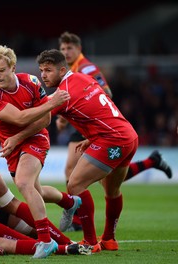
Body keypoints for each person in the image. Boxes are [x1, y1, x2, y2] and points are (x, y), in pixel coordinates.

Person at [57, 31, 172, 232]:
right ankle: (151, 161)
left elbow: (106, 92)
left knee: (74, 172)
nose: (66, 52)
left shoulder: (87, 68)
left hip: (95, 124)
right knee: (106, 180)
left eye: (70, 48)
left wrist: (92, 126)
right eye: (63, 48)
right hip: (87, 125)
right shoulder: (71, 70)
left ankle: (76, 218)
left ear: (79, 49)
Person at [0, 45, 78, 258]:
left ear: (12, 67)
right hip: (12, 144)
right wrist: (52, 102)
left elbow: (45, 119)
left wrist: (17, 137)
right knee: (36, 193)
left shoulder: (31, 82)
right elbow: (18, 119)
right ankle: (70, 202)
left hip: (36, 138)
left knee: (23, 182)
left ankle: (45, 240)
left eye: (1, 70)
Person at [36, 49, 140, 252]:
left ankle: (90, 242)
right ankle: (109, 239)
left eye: (48, 70)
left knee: (74, 185)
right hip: (128, 135)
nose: (43, 75)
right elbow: (97, 104)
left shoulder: (62, 93)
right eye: (41, 70)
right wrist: (91, 136)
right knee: (112, 191)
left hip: (112, 140)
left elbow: (37, 119)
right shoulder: (82, 77)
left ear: (62, 69)